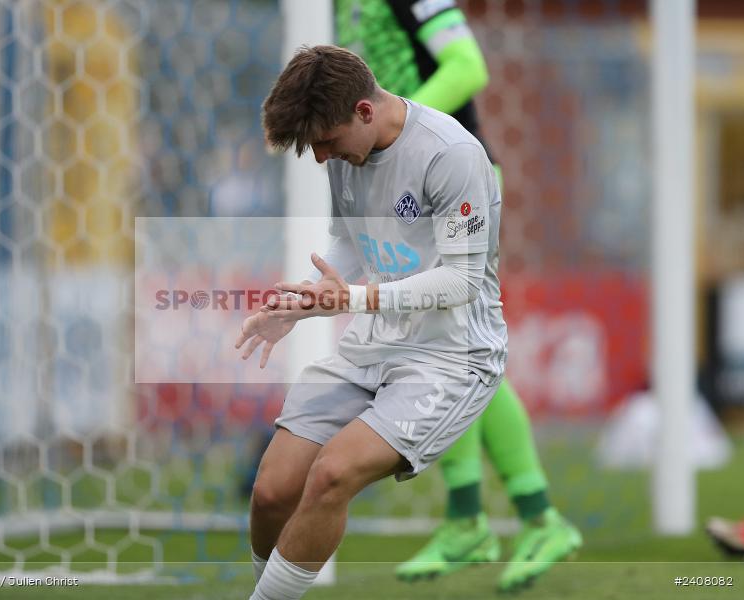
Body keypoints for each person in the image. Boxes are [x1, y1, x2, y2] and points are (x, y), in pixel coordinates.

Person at [236, 44, 506, 600]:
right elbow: (351, 246)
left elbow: (462, 281)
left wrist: (353, 301)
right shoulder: (347, 154)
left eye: (325, 143)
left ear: (363, 111)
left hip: (452, 358)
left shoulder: (449, 153)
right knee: (271, 491)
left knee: (332, 474)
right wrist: (308, 302)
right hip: (373, 344)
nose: (319, 158)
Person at [333, 0, 582, 591]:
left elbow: (467, 66)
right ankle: (484, 517)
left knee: (451, 349)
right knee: (444, 349)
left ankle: (520, 518)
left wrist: (400, 143)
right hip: (410, 185)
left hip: (448, 176)